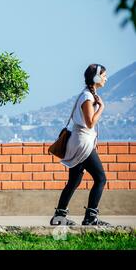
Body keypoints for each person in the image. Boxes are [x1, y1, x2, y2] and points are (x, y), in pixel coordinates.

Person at [50, 64, 110, 226]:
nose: (106, 78)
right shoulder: (88, 97)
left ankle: (59, 217)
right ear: (96, 77)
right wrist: (102, 108)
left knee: (74, 182)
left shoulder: (88, 95)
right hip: (82, 144)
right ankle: (90, 217)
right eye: (104, 75)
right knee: (101, 179)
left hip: (79, 142)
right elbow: (90, 123)